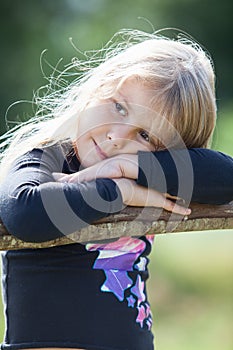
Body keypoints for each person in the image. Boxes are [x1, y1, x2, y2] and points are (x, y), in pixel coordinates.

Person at [0, 28, 232, 350]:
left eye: (146, 137)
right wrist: (118, 192)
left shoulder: (149, 175)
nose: (117, 138)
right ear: (97, 89)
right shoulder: (46, 159)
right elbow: (24, 213)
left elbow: (227, 178)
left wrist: (132, 169)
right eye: (119, 107)